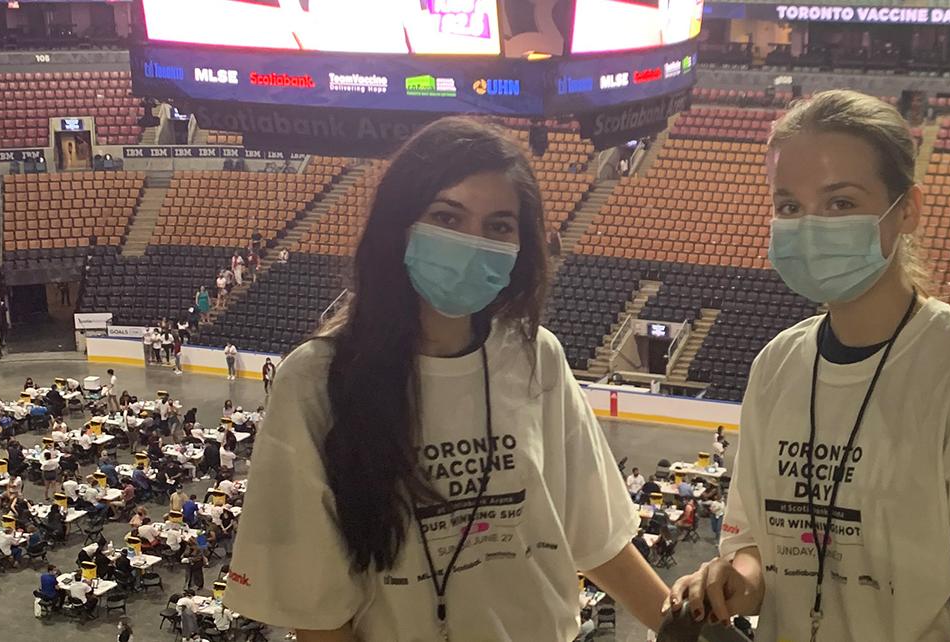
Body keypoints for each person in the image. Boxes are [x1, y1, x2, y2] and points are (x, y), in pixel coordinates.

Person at [223, 116, 670, 642]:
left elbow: (597, 537)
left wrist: (692, 627)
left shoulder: (535, 357)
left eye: (499, 226)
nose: (472, 243)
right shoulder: (316, 381)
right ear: (400, 225)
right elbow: (319, 617)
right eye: (447, 217)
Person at [666, 90, 950, 642]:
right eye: (788, 206)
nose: (809, 226)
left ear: (907, 210)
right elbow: (756, 548)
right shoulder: (776, 366)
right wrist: (737, 580)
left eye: (840, 203)